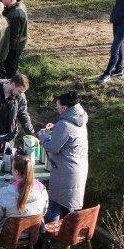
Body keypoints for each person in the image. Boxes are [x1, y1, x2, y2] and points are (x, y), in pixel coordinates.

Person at [38, 91, 89, 223]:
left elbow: (52, 147)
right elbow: (70, 137)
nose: (57, 110)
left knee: (54, 205)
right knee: (69, 207)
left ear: (65, 108)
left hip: (64, 173)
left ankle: (47, 239)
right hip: (77, 169)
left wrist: (43, 136)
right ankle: (68, 238)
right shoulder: (80, 120)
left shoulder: (64, 124)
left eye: (58, 108)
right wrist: (56, 129)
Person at [0, 156, 48, 238]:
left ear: (16, 172)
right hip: (32, 233)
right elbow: (44, 211)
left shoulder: (6, 192)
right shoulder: (42, 189)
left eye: (12, 168)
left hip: (9, 235)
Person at [1, 0, 28, 78]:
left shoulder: (16, 13)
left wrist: (8, 48)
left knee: (12, 69)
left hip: (14, 47)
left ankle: (15, 86)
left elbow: (14, 34)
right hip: (18, 44)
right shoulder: (19, 6)